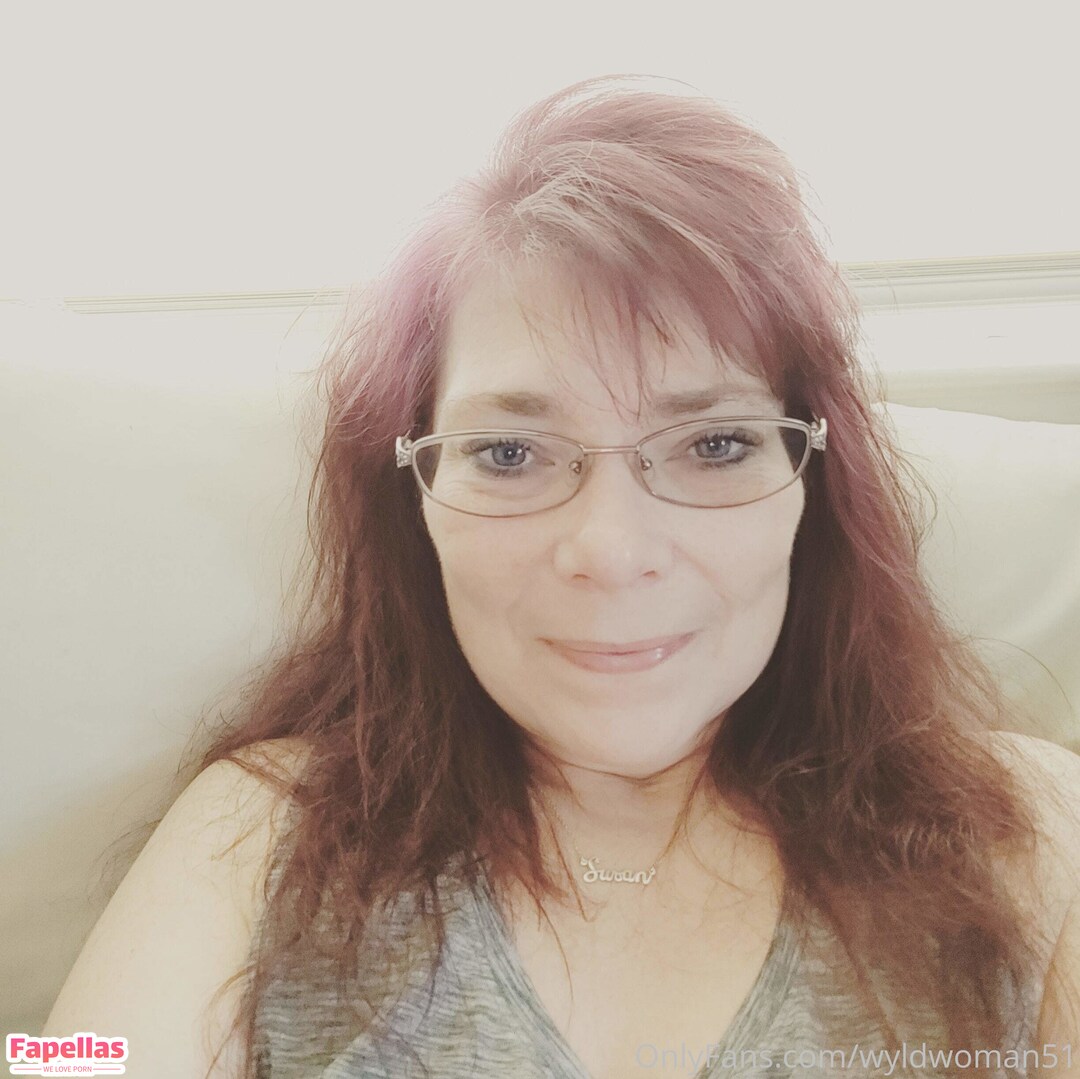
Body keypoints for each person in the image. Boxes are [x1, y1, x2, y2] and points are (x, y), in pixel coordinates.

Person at [44, 74, 1080, 1079]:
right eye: (509, 454)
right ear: (412, 499)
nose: (613, 549)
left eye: (714, 444)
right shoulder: (260, 831)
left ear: (813, 481)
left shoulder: (1032, 838)